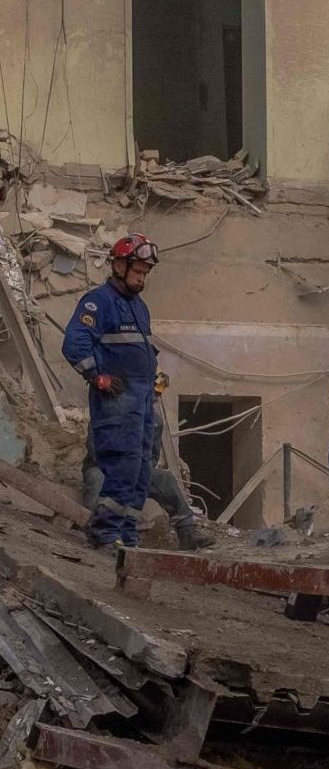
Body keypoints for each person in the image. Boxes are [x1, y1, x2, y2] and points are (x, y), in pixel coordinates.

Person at [62, 234, 161, 551]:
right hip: (118, 403)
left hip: (143, 402)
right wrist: (96, 376)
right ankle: (104, 531)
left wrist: (155, 377)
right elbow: (74, 344)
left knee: (143, 468)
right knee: (124, 465)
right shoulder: (98, 301)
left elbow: (141, 350)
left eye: (146, 273)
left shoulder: (139, 307)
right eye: (138, 271)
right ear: (119, 265)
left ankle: (127, 534)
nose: (142, 277)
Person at [82, 370, 213, 551]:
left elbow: (152, 455)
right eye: (151, 394)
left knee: (165, 479)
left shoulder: (155, 422)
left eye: (156, 396)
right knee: (97, 480)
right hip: (103, 469)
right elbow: (96, 450)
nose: (153, 399)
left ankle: (188, 533)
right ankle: (99, 534)